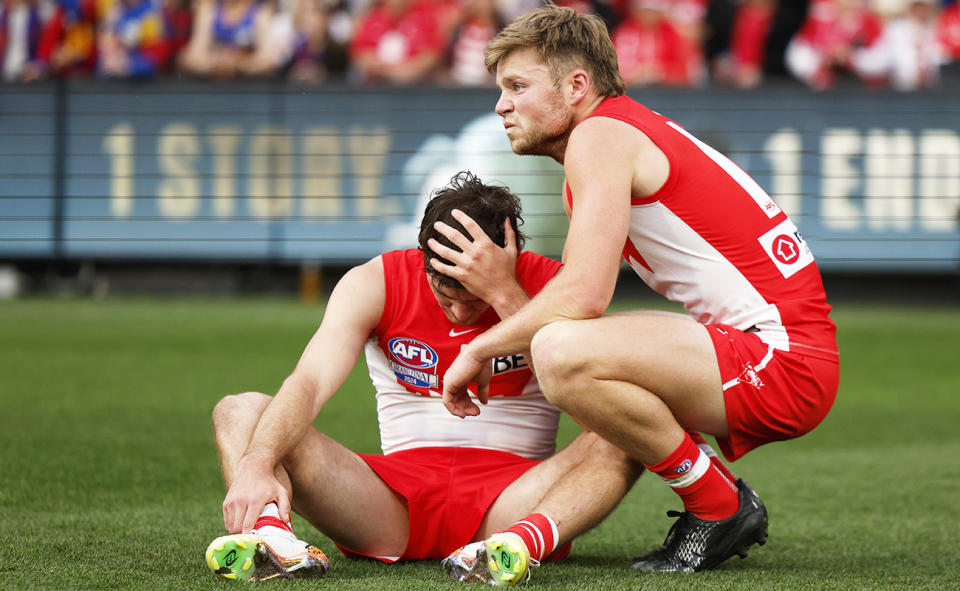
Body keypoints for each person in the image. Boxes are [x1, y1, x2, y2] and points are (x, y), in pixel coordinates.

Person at [439, 4, 839, 578]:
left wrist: (477, 349)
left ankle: (719, 506)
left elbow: (582, 297)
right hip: (780, 351)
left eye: (517, 86)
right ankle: (718, 502)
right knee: (575, 352)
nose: (501, 104)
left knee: (560, 350)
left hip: (782, 362)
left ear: (578, 85)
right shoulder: (620, 129)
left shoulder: (598, 136)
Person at [204, 171, 643, 583]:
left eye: (475, 297)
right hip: (389, 503)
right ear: (423, 259)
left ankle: (514, 548)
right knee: (238, 410)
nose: (460, 312)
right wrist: (257, 462)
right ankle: (270, 539)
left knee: (632, 424)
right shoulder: (375, 281)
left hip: (514, 500)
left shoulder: (557, 287)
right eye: (446, 294)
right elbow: (310, 383)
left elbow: (600, 414)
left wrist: (506, 296)